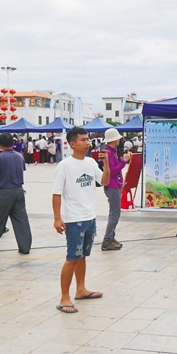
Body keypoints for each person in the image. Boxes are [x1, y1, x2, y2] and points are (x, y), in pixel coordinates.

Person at [52, 127, 110, 314]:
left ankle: (81, 289)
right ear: (72, 144)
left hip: (89, 217)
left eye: (88, 139)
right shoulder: (65, 165)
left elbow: (105, 181)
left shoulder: (91, 162)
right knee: (72, 258)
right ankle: (64, 297)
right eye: (83, 140)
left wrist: (106, 163)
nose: (87, 142)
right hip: (74, 220)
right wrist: (57, 218)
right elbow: (57, 193)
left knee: (82, 255)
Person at [99, 128, 130, 251]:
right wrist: (124, 161)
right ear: (115, 139)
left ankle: (111, 237)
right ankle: (107, 240)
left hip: (114, 185)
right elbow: (112, 171)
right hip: (112, 186)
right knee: (115, 213)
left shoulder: (112, 151)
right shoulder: (108, 152)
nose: (120, 140)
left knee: (115, 213)